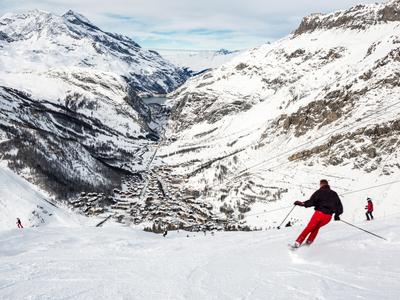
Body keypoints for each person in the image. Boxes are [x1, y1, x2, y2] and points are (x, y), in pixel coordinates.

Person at [292, 179, 343, 248]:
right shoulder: (334, 193)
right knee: (316, 228)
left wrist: (301, 203)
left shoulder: (319, 192)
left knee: (309, 227)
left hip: (319, 214)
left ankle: (298, 242)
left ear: (321, 184)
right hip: (328, 217)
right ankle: (309, 242)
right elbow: (339, 205)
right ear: (327, 184)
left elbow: (311, 202)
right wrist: (337, 215)